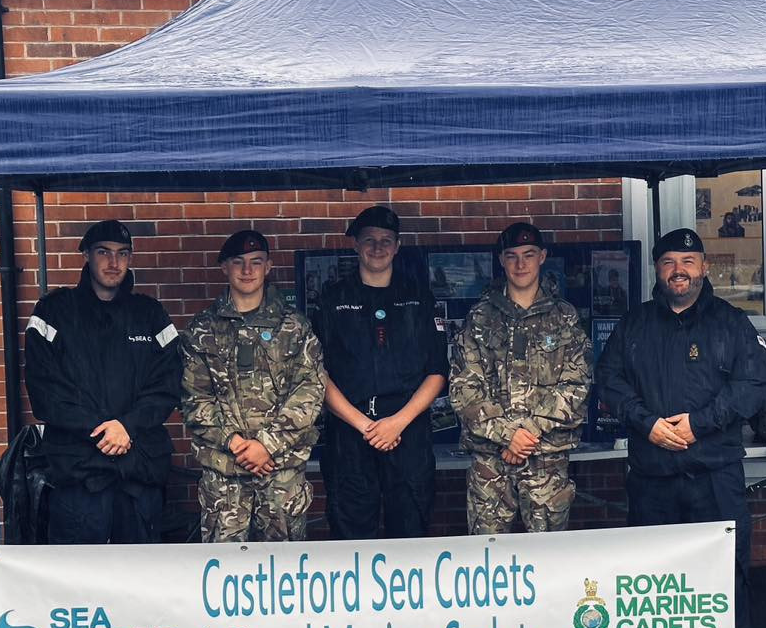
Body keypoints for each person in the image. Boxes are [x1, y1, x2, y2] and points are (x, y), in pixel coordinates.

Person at [598, 228, 766, 628]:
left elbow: (755, 385)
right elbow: (609, 382)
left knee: (725, 573)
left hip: (714, 473)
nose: (679, 270)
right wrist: (646, 423)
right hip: (653, 475)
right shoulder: (634, 325)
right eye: (670, 261)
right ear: (658, 269)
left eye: (689, 261)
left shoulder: (731, 323)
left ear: (705, 267)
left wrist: (699, 423)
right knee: (653, 578)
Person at [24, 219, 181, 544]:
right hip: (78, 475)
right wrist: (100, 428)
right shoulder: (54, 312)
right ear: (86, 255)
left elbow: (168, 384)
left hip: (138, 473)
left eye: (122, 254)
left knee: (138, 582)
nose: (113, 263)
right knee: (78, 585)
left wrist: (127, 426)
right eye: (104, 252)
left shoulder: (150, 314)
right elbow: (44, 390)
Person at [181, 230, 326, 543]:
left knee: (286, 575)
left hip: (280, 473)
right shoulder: (202, 329)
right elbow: (194, 400)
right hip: (225, 476)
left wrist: (266, 446)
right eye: (238, 262)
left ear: (268, 267)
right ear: (225, 268)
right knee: (224, 576)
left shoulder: (294, 326)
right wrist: (235, 443)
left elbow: (310, 392)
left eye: (256, 262)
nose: (247, 271)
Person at [314, 206, 447, 539]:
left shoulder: (418, 297)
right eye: (369, 240)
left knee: (411, 530)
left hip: (407, 432)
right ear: (356, 246)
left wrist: (397, 423)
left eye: (386, 240)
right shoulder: (332, 299)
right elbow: (317, 373)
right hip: (351, 433)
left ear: (397, 246)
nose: (377, 248)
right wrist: (367, 427)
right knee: (351, 535)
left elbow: (437, 370)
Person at [449, 222, 591, 534]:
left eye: (528, 254)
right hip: (491, 462)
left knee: (549, 560)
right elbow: (464, 388)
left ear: (542, 257)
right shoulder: (480, 318)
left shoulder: (564, 317)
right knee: (487, 562)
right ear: (501, 260)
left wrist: (528, 432)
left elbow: (576, 384)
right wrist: (506, 435)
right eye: (512, 256)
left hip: (547, 463)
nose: (520, 264)